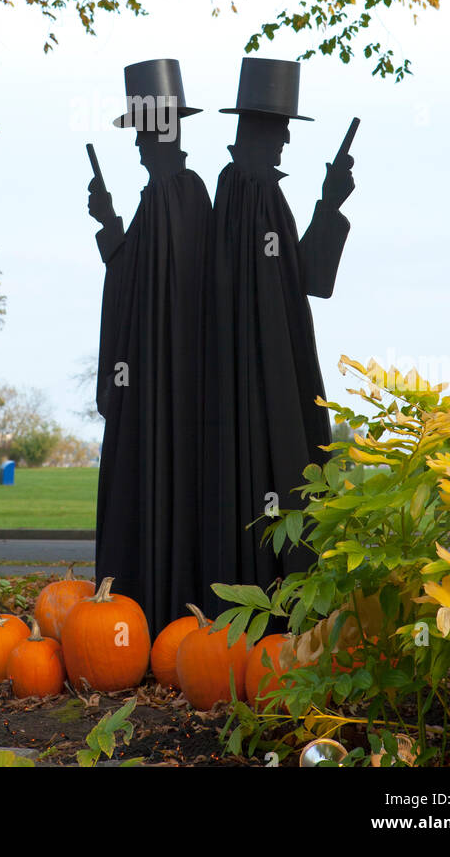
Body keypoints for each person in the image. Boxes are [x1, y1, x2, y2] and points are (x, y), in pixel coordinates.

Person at [202, 57, 354, 617]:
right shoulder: (259, 191)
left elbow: (283, 277)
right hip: (273, 375)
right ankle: (284, 599)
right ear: (262, 129)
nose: (288, 137)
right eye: (282, 126)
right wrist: (331, 202)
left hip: (247, 373)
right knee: (283, 470)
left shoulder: (232, 187)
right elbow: (303, 279)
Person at [89, 58, 211, 635]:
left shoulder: (180, 194)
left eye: (144, 134)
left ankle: (158, 615)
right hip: (156, 381)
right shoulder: (166, 197)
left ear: (164, 133)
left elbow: (135, 277)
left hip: (173, 382)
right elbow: (134, 271)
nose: (138, 147)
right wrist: (108, 220)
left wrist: (112, 231)